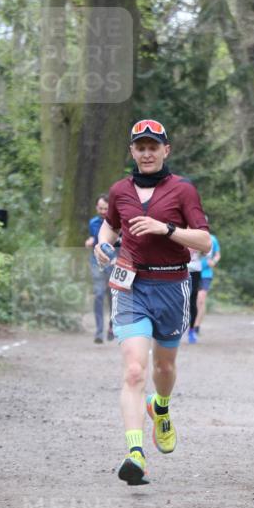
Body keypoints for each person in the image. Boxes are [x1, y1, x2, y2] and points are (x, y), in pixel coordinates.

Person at [95, 119, 211, 486]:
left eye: (153, 147)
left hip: (172, 285)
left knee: (164, 368)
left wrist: (167, 229)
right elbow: (111, 227)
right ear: (132, 151)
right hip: (131, 285)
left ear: (166, 150)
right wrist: (102, 245)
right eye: (140, 147)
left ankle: (160, 407)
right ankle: (135, 455)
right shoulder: (120, 190)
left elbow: (205, 242)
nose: (146, 153)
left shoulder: (183, 191)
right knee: (133, 370)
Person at [85, 194, 113, 344]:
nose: (103, 211)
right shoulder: (93, 223)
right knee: (98, 294)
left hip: (114, 263)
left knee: (113, 296)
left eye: (106, 209)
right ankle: (99, 331)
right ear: (97, 208)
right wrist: (90, 241)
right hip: (96, 262)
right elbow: (93, 238)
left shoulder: (117, 222)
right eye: (100, 208)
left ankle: (112, 326)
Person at [189, 234, 221, 343]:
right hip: (192, 272)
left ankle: (196, 327)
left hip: (206, 273)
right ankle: (190, 325)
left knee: (201, 299)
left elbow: (217, 254)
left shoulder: (212, 239)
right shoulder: (188, 236)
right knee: (191, 300)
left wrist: (214, 261)